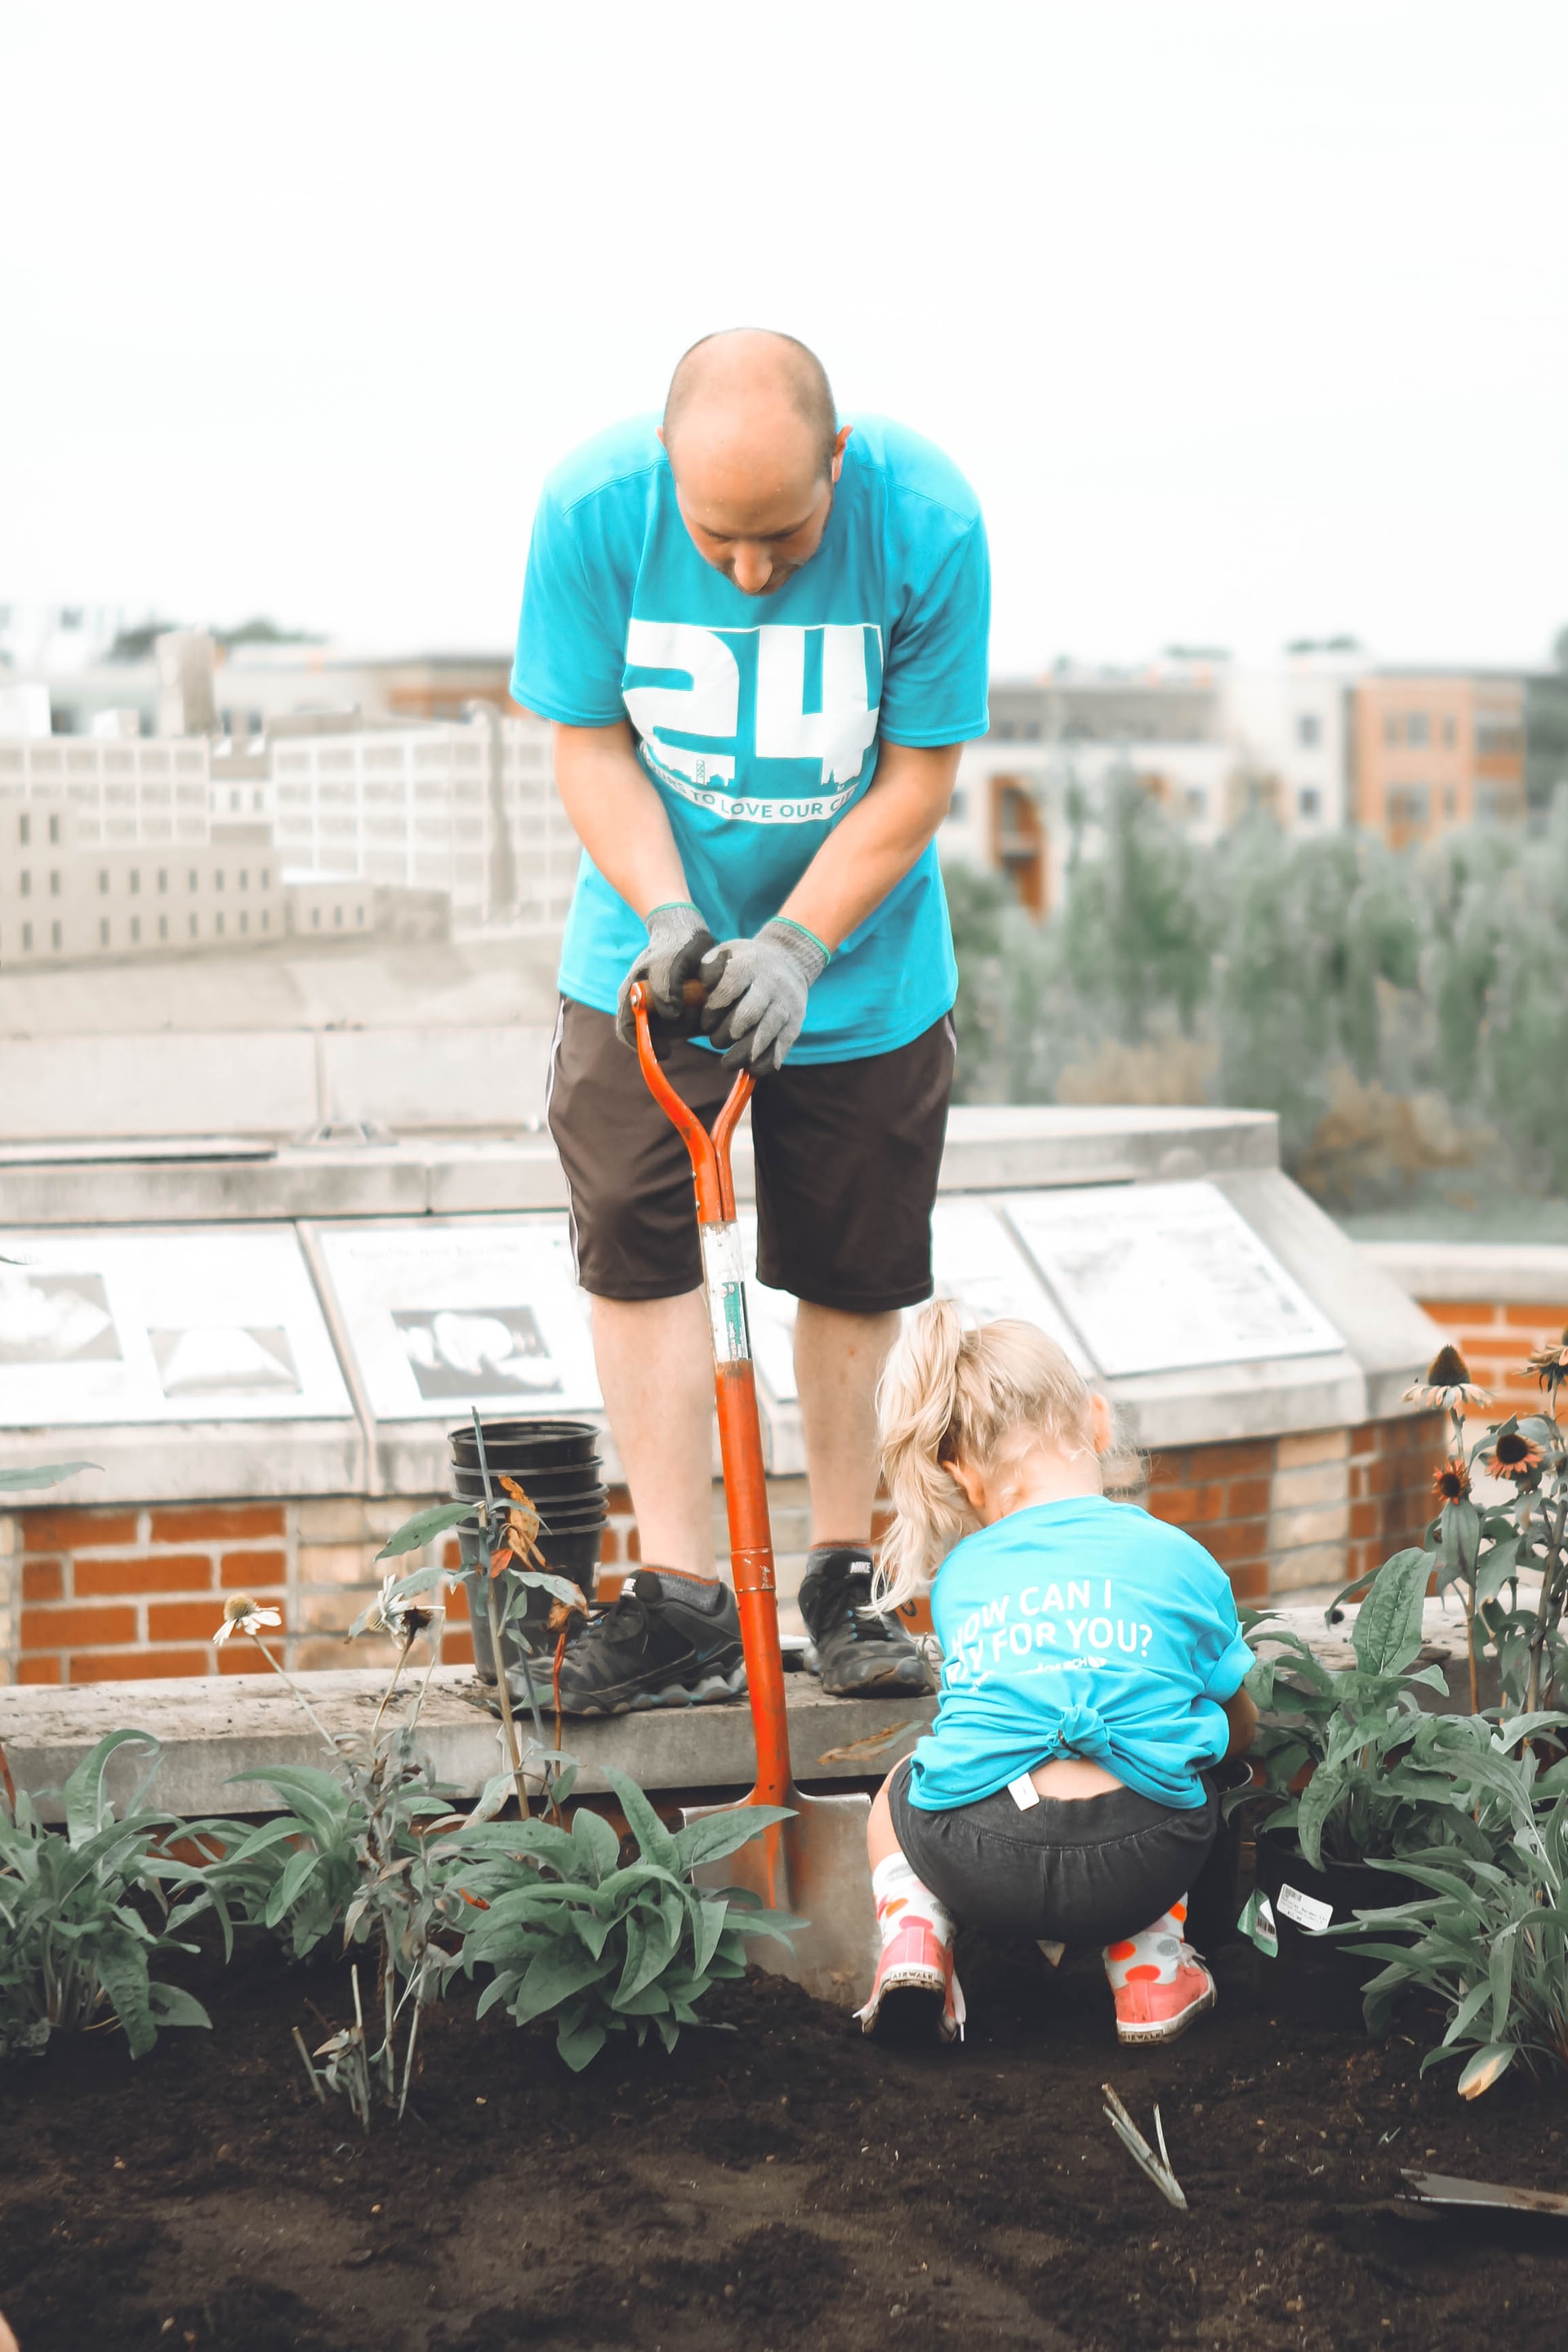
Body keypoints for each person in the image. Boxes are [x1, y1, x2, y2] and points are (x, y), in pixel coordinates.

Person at [511, 327, 991, 1715]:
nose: (752, 574)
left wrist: (798, 942)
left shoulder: (930, 522)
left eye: (783, 535)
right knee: (636, 1242)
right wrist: (671, 915)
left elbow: (916, 777)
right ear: (668, 472)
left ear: (837, 464)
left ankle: (843, 1576)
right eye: (720, 539)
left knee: (852, 1260)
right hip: (646, 949)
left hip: (864, 959)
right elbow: (587, 741)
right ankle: (682, 1595)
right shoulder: (592, 513)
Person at [856, 1303, 1258, 2045]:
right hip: (1147, 1856)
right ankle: (1151, 1976)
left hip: (976, 1855)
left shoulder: (961, 1575)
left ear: (960, 1471)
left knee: (898, 1786)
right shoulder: (1178, 1555)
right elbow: (1240, 1717)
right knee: (1192, 1757)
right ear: (1098, 1423)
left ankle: (914, 1941)